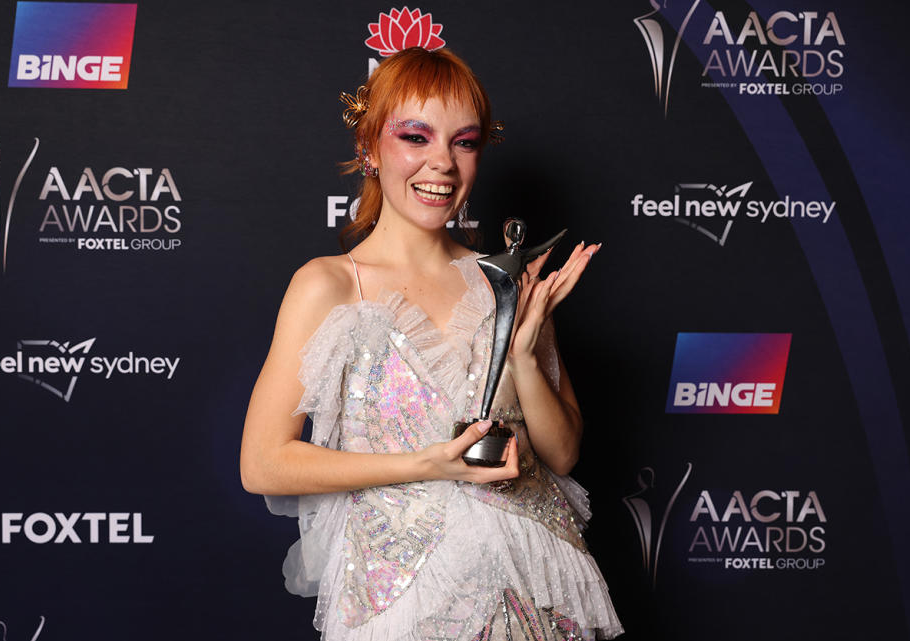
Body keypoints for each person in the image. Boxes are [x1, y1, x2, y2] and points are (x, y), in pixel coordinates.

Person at [240, 47, 623, 641]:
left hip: (532, 587)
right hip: (403, 598)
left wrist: (521, 352)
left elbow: (564, 453)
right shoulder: (329, 285)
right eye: (416, 137)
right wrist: (426, 464)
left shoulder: (504, 279)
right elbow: (263, 463)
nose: (442, 163)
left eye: (464, 142)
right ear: (369, 148)